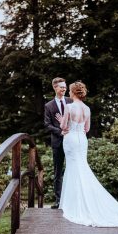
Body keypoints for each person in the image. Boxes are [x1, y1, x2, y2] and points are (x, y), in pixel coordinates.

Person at [55, 80, 118, 227]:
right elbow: (86, 129)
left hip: (71, 140)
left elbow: (63, 126)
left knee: (73, 168)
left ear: (73, 92)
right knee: (81, 167)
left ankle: (74, 204)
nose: (68, 92)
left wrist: (62, 120)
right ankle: (83, 201)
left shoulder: (69, 107)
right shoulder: (87, 109)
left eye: (70, 90)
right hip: (82, 139)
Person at [44, 77, 73, 209]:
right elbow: (47, 125)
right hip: (57, 142)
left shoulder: (71, 101)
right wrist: (60, 131)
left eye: (65, 86)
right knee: (58, 172)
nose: (64, 89)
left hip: (72, 141)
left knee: (73, 170)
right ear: (55, 88)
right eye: (61, 87)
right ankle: (58, 201)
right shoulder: (49, 106)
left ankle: (72, 200)